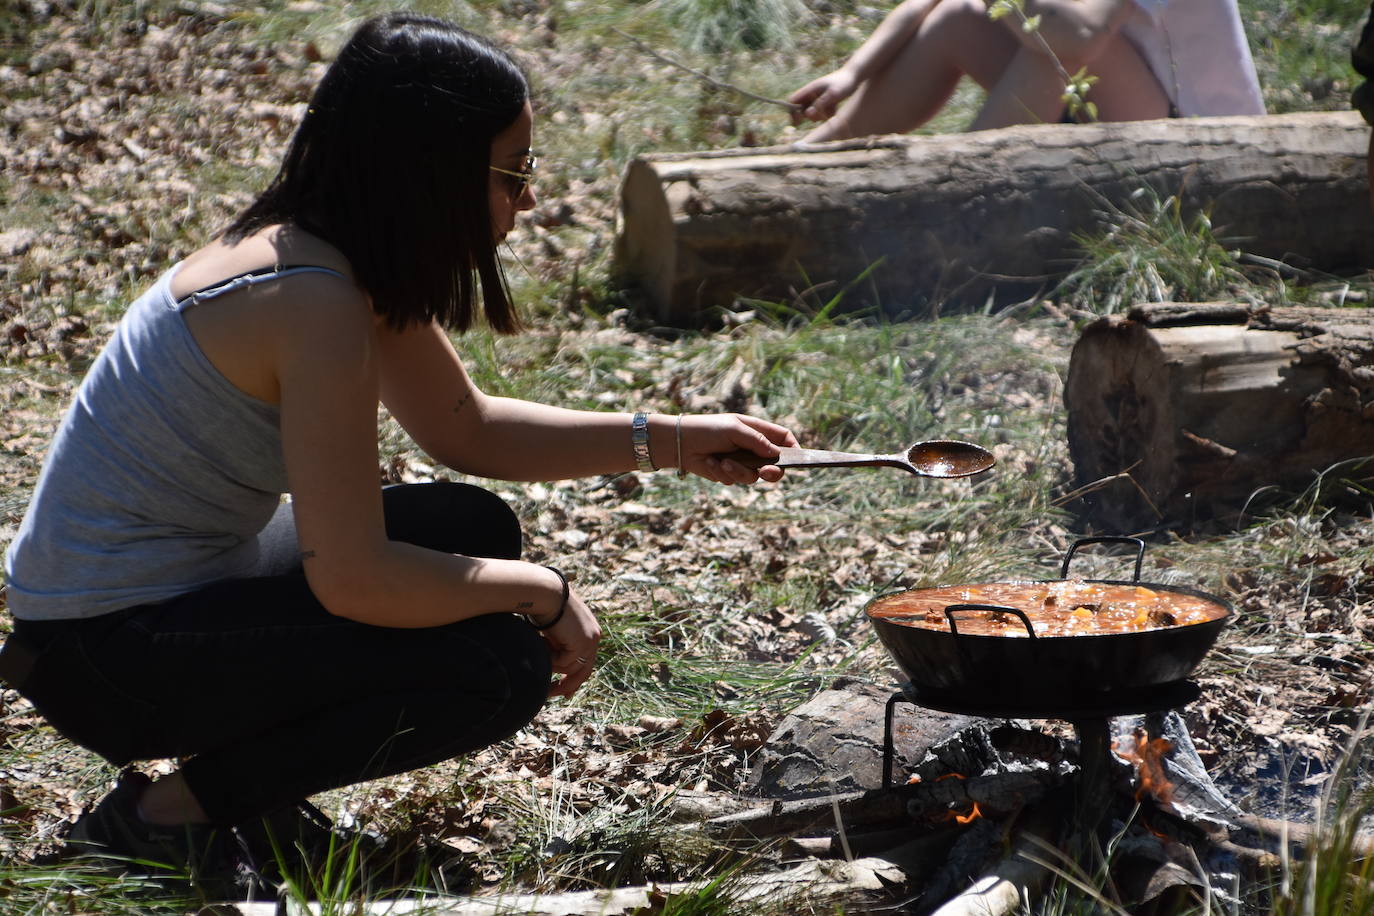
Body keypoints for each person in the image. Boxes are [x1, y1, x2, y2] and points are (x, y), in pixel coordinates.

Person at [0, 11, 797, 892]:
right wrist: (546, 593)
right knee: (493, 664)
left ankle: (249, 787)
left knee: (472, 525)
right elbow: (354, 578)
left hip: (155, 601)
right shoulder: (309, 298)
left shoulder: (331, 254)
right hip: (104, 657)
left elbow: (468, 428)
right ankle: (163, 818)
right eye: (512, 172)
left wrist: (674, 441)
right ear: (433, 173)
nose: (528, 197)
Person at [789, 0, 1265, 142]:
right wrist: (851, 74)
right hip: (1102, 114)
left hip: (1195, 147)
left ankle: (955, 200)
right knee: (960, 17)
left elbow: (1080, 36)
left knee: (1060, 48)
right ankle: (810, 158)